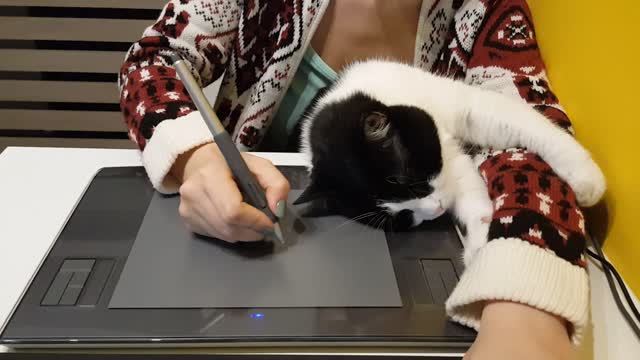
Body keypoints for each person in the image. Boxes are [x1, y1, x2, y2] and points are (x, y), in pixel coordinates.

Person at [119, 1, 587, 358]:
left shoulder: (483, 10)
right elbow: (153, 60)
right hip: (255, 245)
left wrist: (525, 307)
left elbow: (531, 130)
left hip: (407, 253)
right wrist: (198, 158)